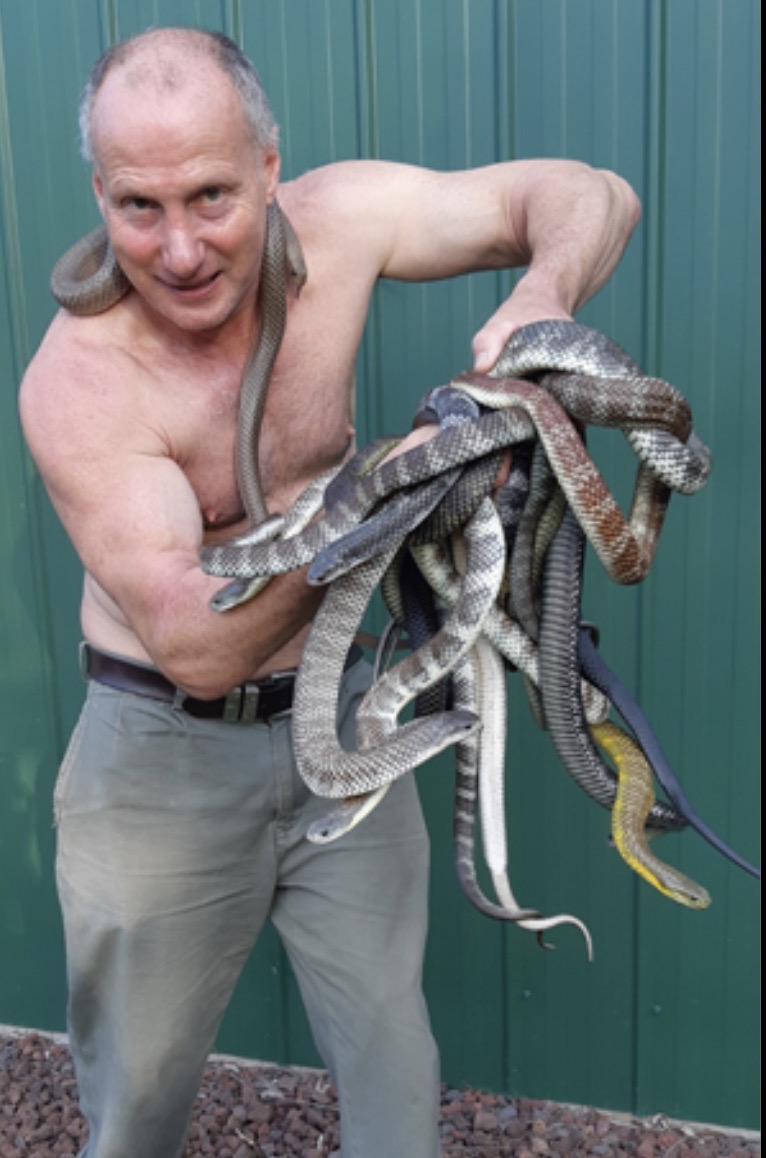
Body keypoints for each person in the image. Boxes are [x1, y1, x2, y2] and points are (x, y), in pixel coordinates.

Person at [19, 26, 641, 1158]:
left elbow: (592, 192)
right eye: (138, 208)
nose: (180, 249)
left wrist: (540, 302)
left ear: (269, 168)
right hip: (160, 752)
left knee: (393, 1059)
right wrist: (411, 488)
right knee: (136, 1104)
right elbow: (192, 641)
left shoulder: (340, 219)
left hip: (345, 723)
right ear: (99, 195)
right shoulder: (81, 381)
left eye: (211, 195)